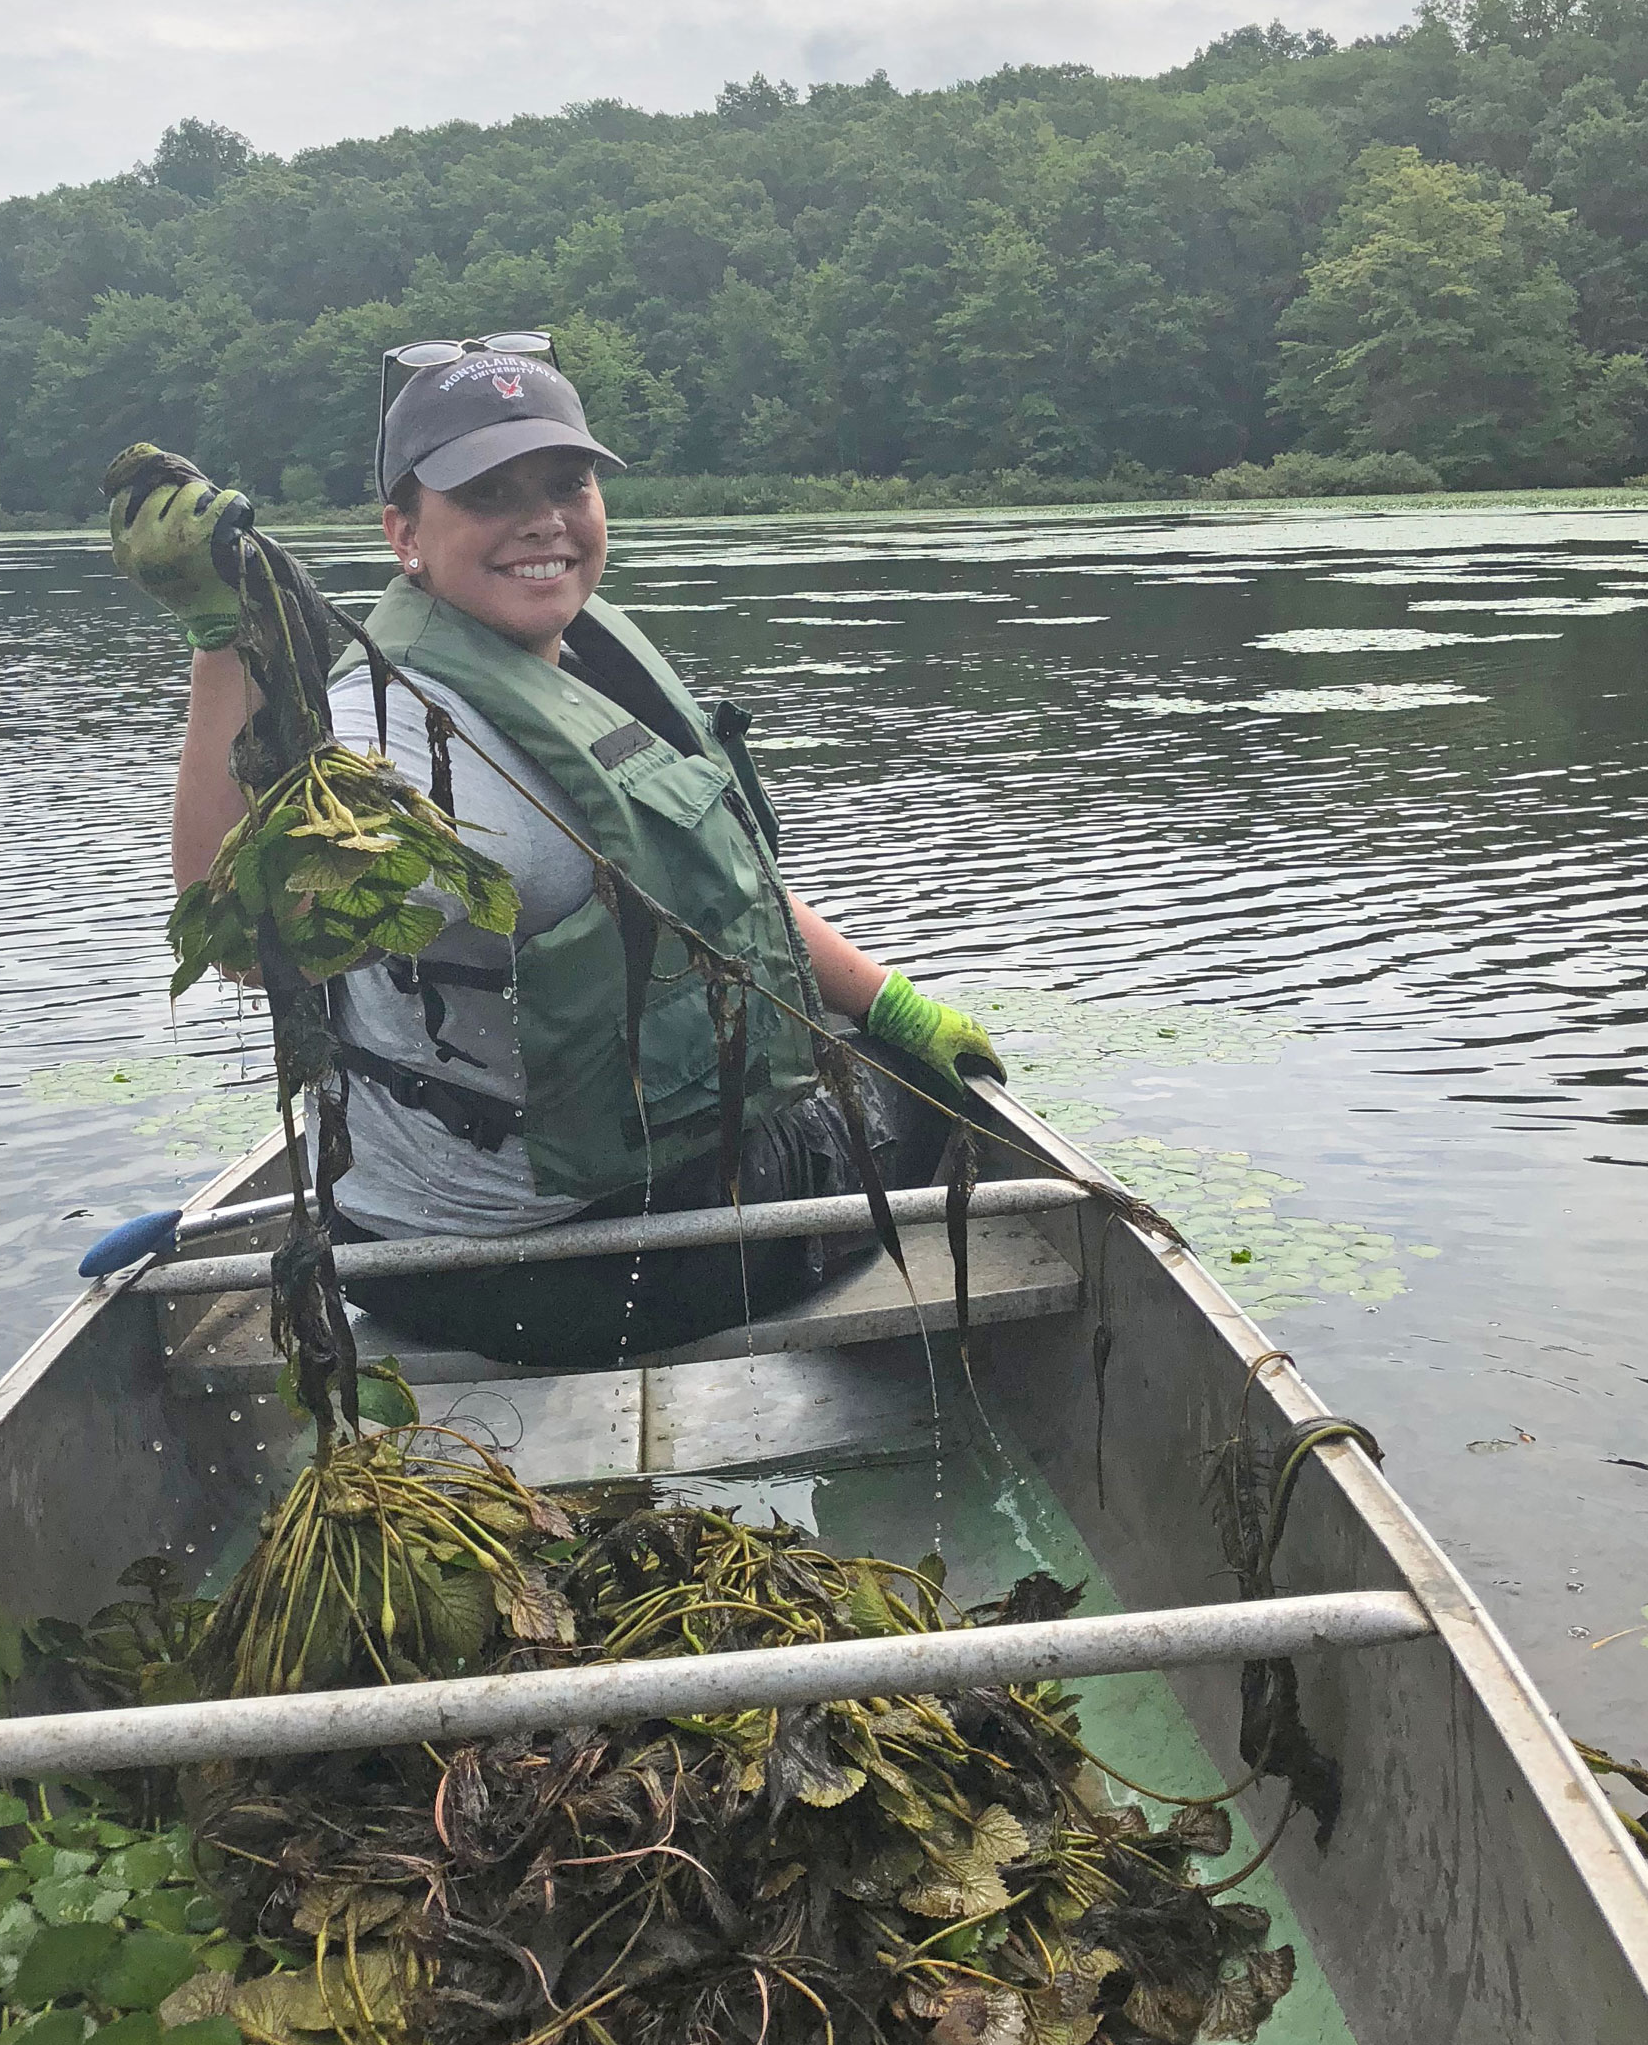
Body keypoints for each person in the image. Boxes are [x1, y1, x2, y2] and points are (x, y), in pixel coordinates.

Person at [120, 338, 1003, 1368]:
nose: (541, 517)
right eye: (489, 492)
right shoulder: (394, 739)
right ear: (404, 534)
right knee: (933, 1098)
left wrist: (888, 997)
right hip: (549, 1275)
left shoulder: (565, 659)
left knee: (872, 1042)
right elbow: (242, 941)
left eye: (566, 482)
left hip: (421, 1240)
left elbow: (721, 892)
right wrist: (223, 640)